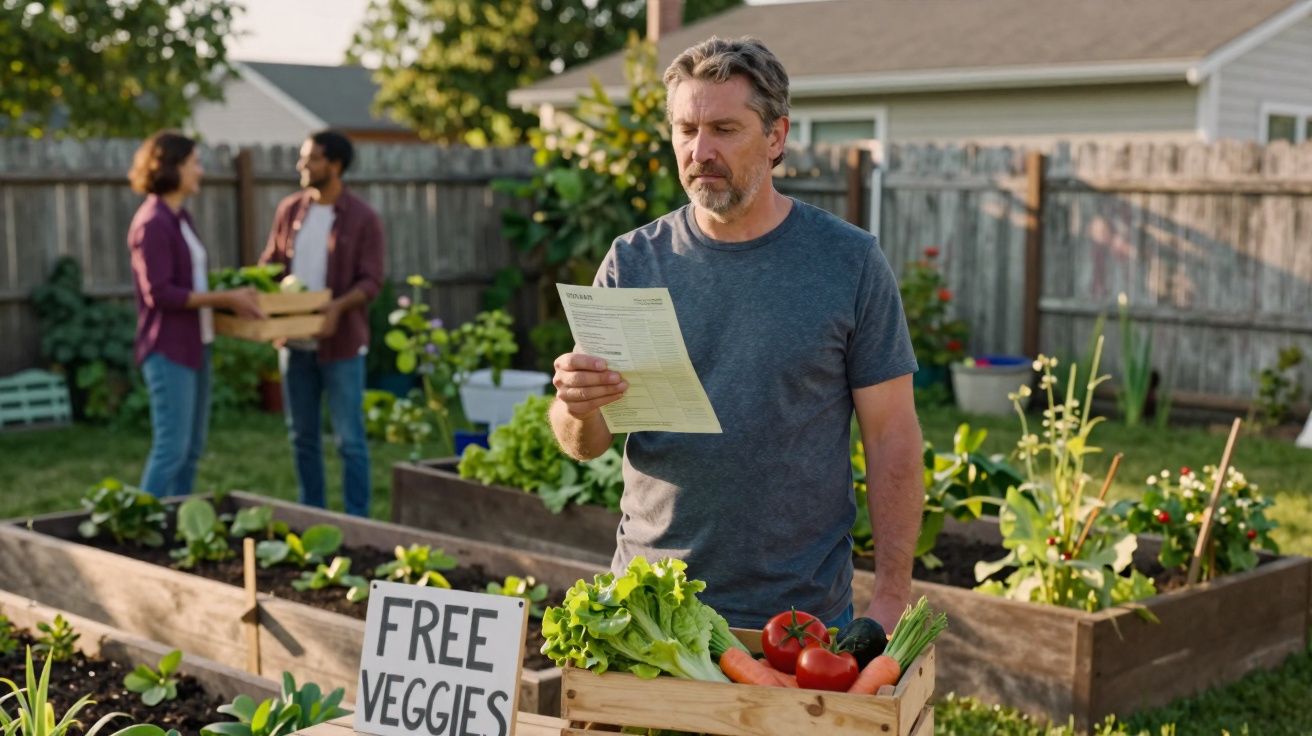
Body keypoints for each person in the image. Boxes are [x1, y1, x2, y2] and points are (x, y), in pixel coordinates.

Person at [548, 37, 925, 633]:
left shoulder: (848, 263)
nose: (701, 150)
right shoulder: (631, 262)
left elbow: (893, 438)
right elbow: (586, 442)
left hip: (796, 617)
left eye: (724, 128)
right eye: (685, 129)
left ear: (776, 136)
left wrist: (891, 596)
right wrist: (574, 406)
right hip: (649, 608)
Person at [127, 131, 264, 498]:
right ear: (171, 167)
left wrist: (231, 299)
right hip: (168, 349)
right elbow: (160, 293)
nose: (200, 172)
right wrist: (226, 296)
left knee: (191, 450)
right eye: (195, 164)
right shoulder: (153, 222)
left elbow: (191, 281)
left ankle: (176, 524)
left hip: (195, 345)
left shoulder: (180, 217)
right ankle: (138, 527)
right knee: (171, 450)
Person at [259, 130, 384, 517]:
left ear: (334, 165)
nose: (302, 165)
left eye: (310, 158)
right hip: (294, 344)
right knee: (302, 438)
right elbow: (271, 265)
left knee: (349, 441)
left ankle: (358, 520)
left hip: (341, 344)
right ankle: (312, 516)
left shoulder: (363, 218)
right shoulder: (290, 211)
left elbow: (371, 281)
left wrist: (336, 307)